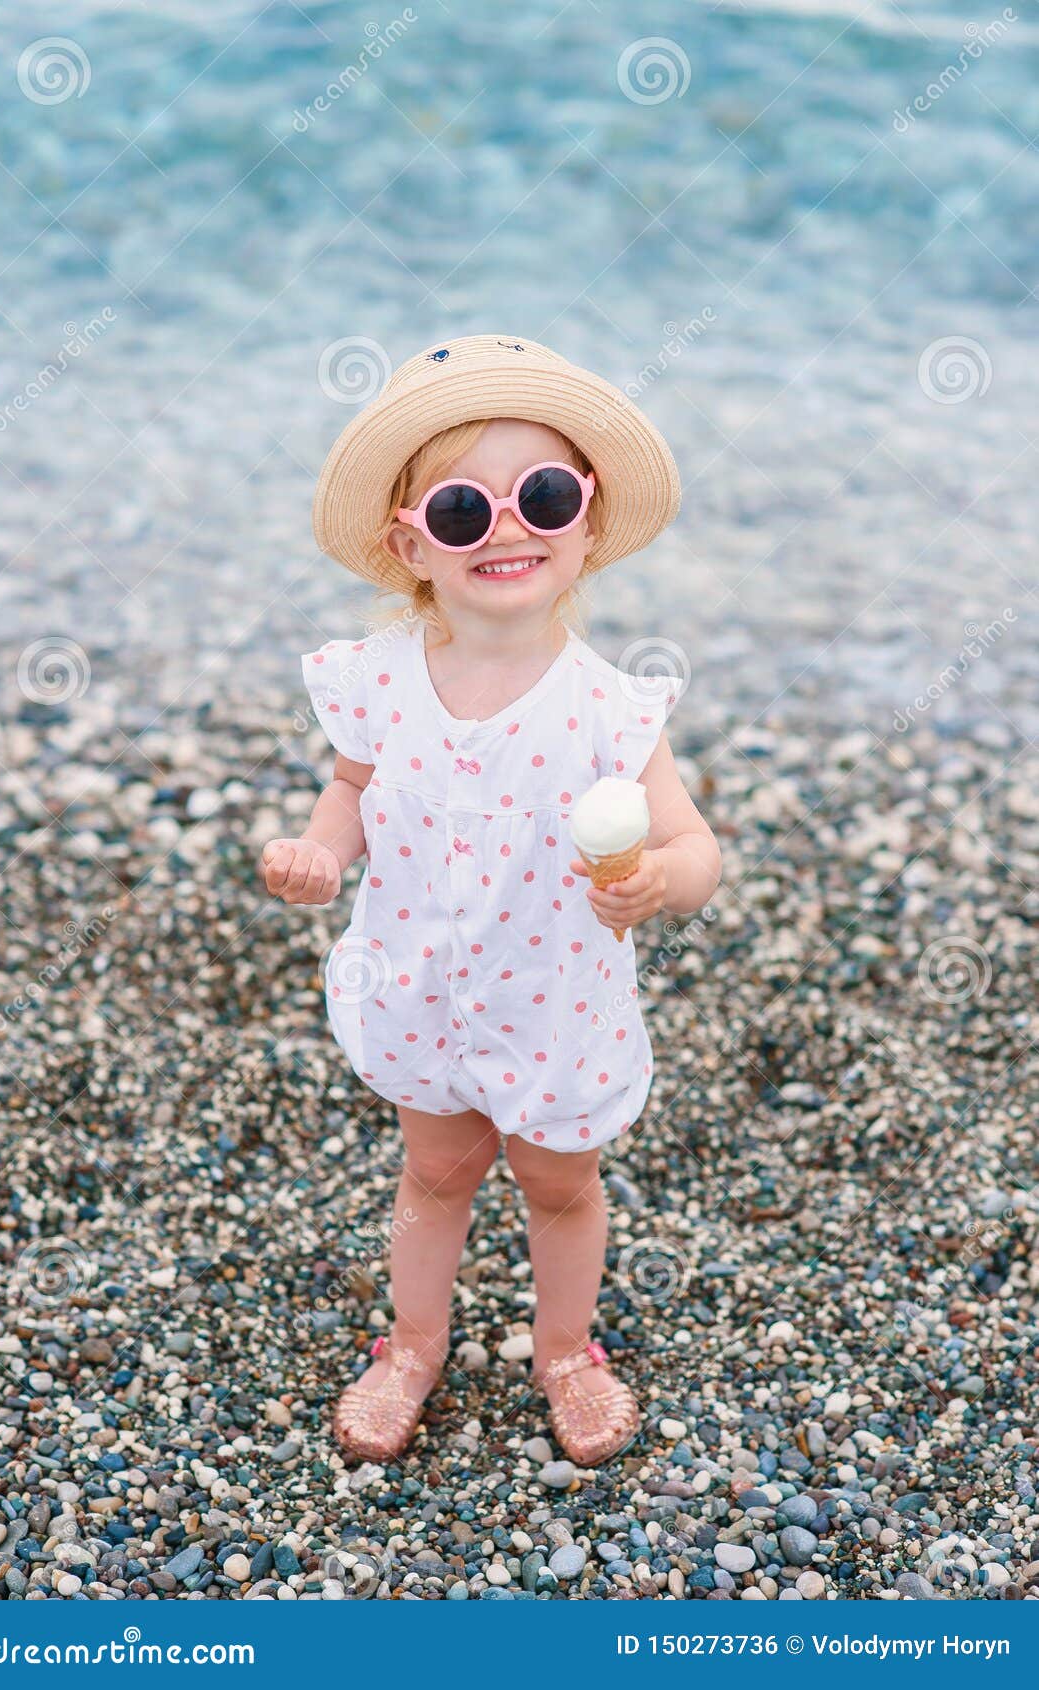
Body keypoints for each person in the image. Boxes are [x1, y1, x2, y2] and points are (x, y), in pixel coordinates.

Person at [261, 335, 721, 1466]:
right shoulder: (376, 682)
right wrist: (320, 852)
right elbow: (351, 793)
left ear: (588, 521)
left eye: (545, 496)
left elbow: (695, 843)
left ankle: (565, 1346)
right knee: (435, 1167)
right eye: (465, 511)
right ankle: (414, 1339)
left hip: (556, 1000)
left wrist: (663, 882)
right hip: (420, 986)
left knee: (559, 1183)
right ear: (409, 539)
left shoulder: (611, 710)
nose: (508, 527)